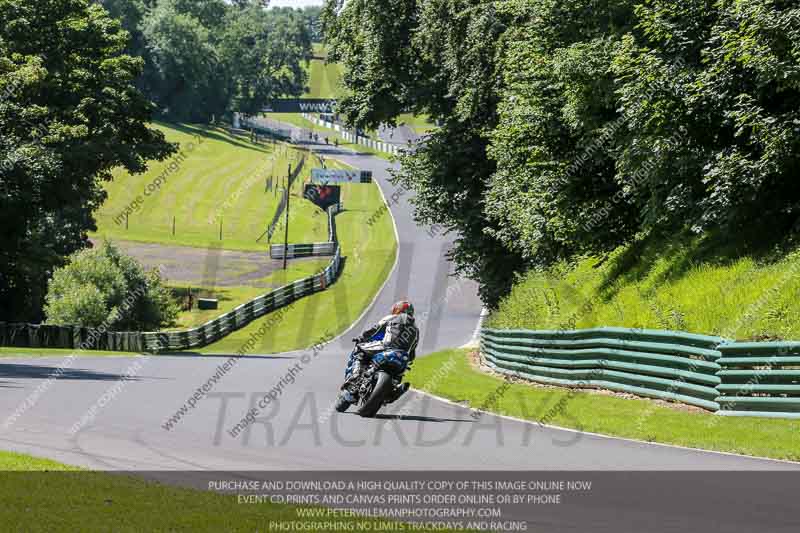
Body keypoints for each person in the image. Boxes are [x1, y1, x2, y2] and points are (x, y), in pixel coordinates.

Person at [342, 300, 419, 404]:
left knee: (359, 350)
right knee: (400, 372)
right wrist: (408, 360)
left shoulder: (392, 317)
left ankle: (355, 375)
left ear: (399, 309)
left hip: (385, 347)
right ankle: (395, 390)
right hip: (402, 356)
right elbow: (412, 352)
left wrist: (362, 338)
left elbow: (375, 329)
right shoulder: (416, 329)